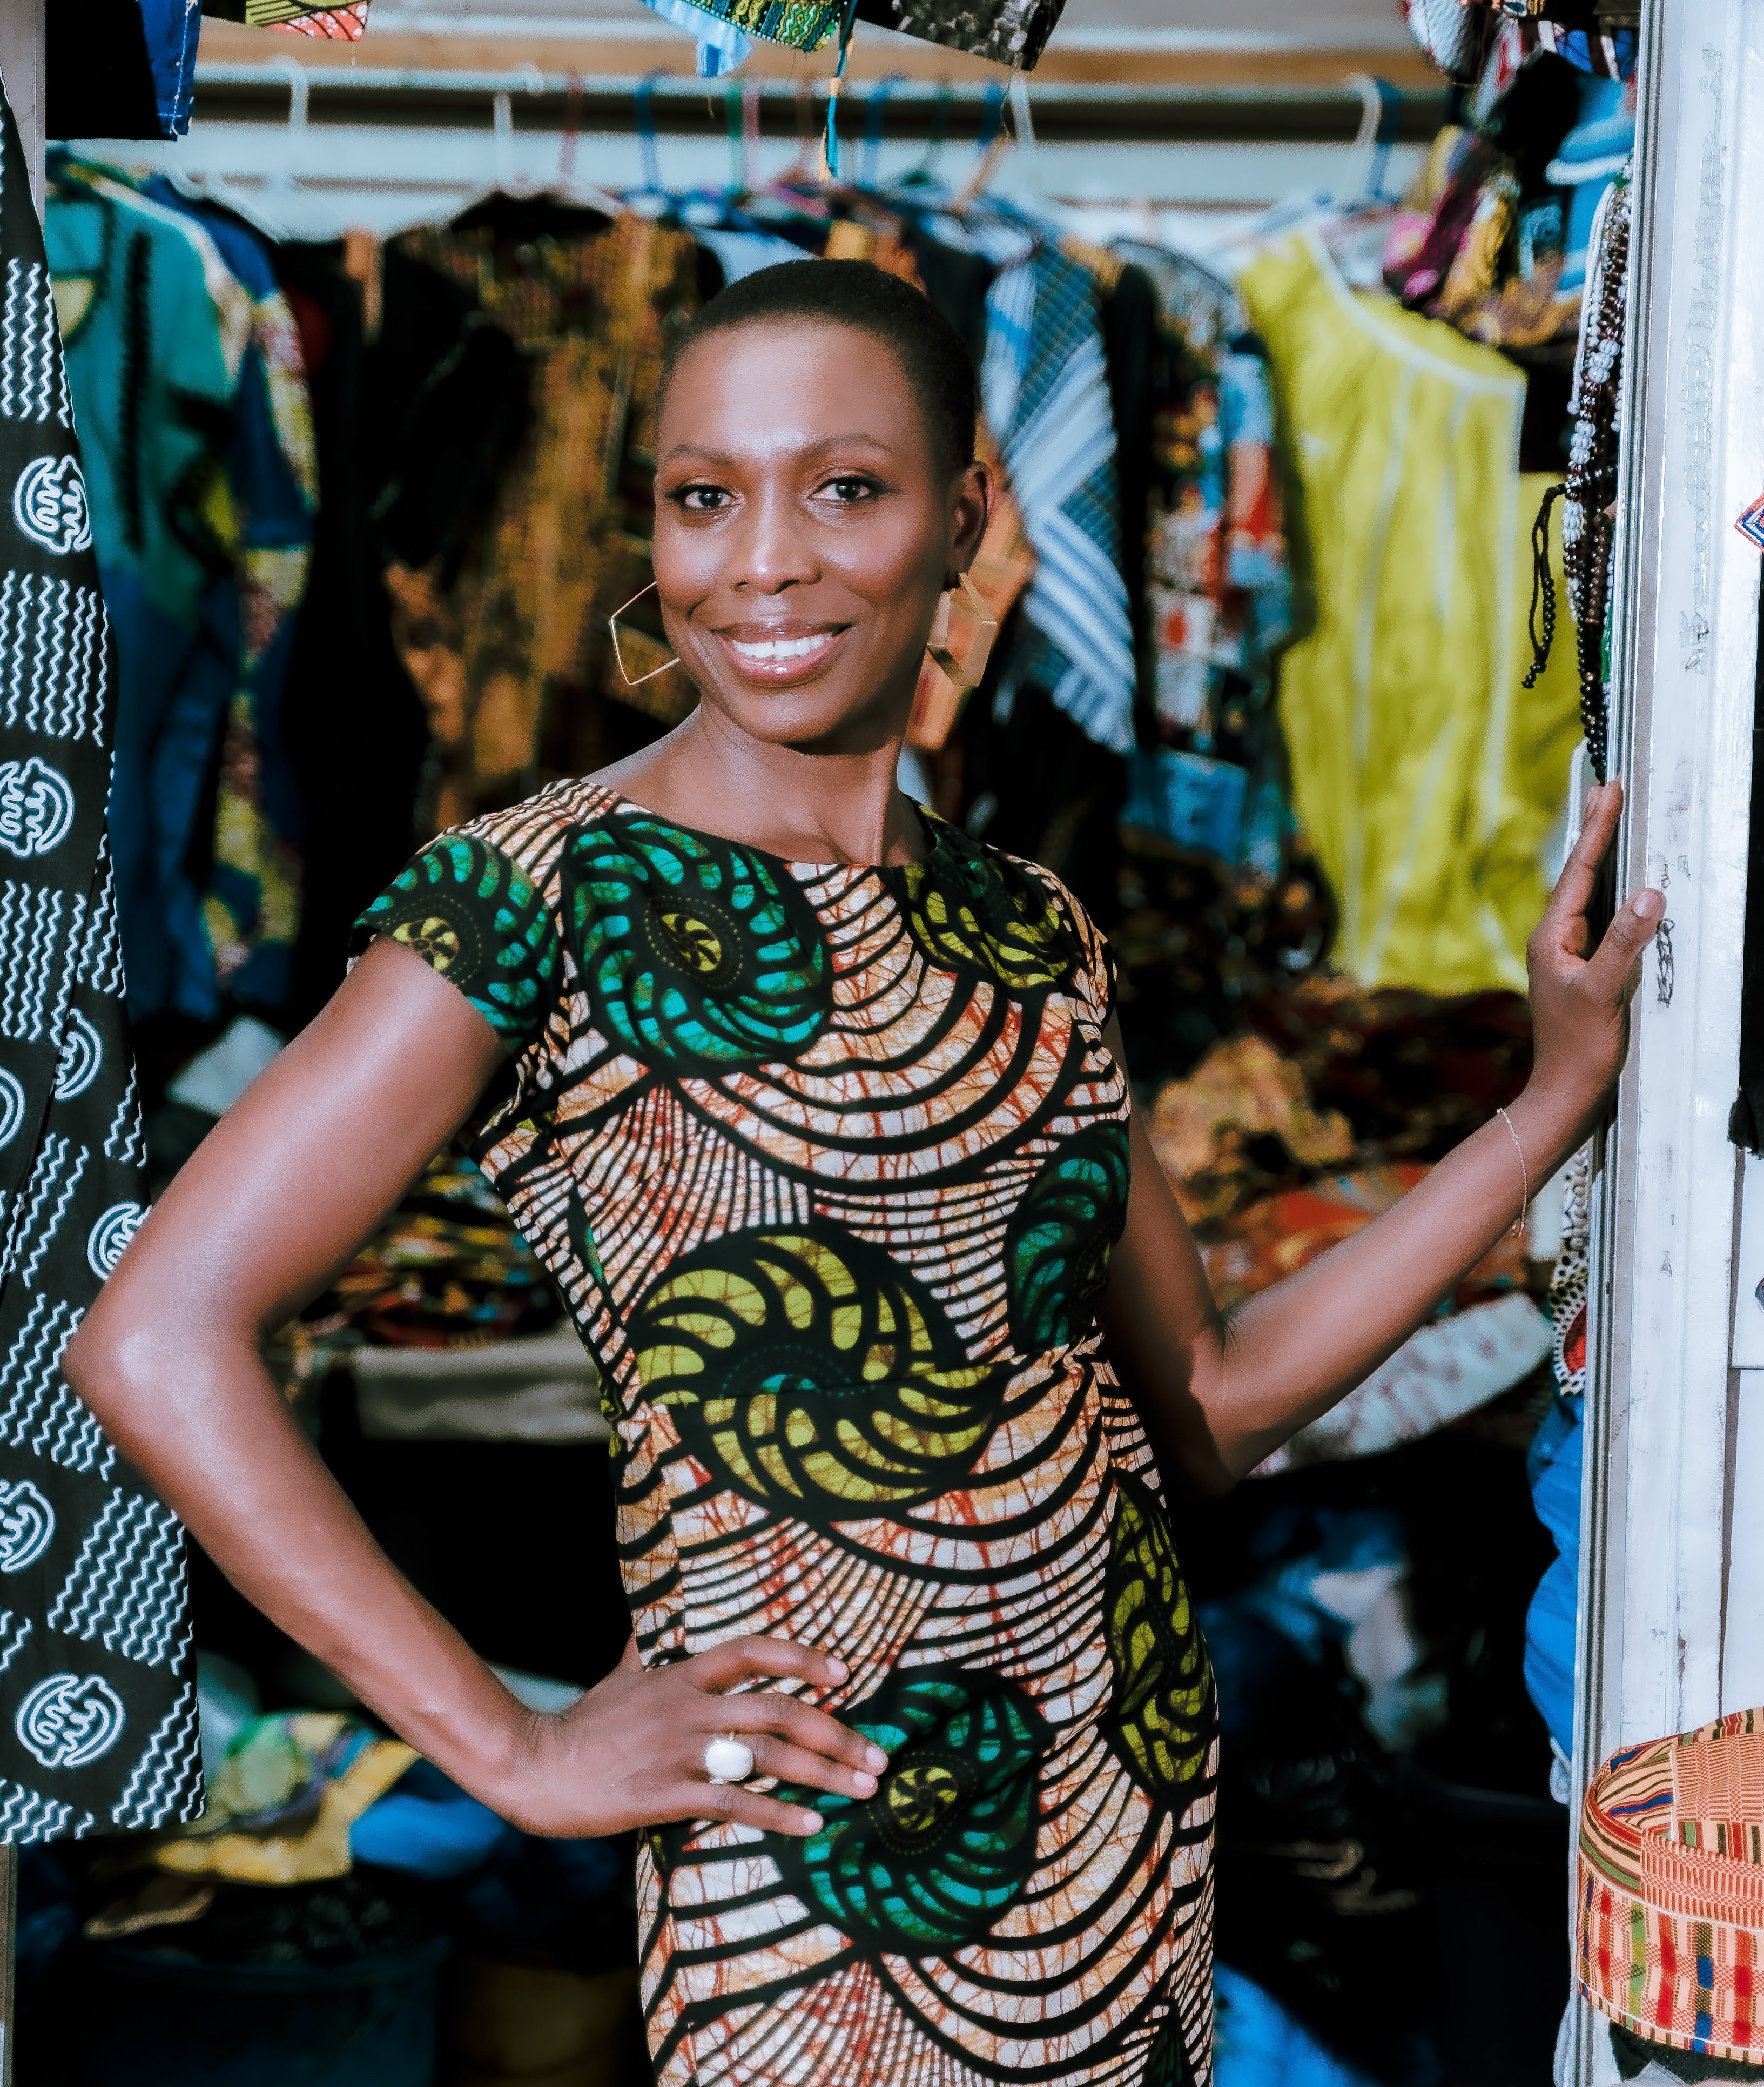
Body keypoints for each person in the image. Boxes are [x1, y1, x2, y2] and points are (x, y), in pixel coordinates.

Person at [68, 260, 1662, 2087]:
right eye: (701, 495)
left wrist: (1543, 1109)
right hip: (815, 1855)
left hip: (1118, 1790)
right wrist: (510, 1752)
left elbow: (1204, 1405)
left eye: (844, 486)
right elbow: (158, 1339)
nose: (761, 561)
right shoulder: (529, 899)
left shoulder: (1024, 926)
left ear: (970, 515)